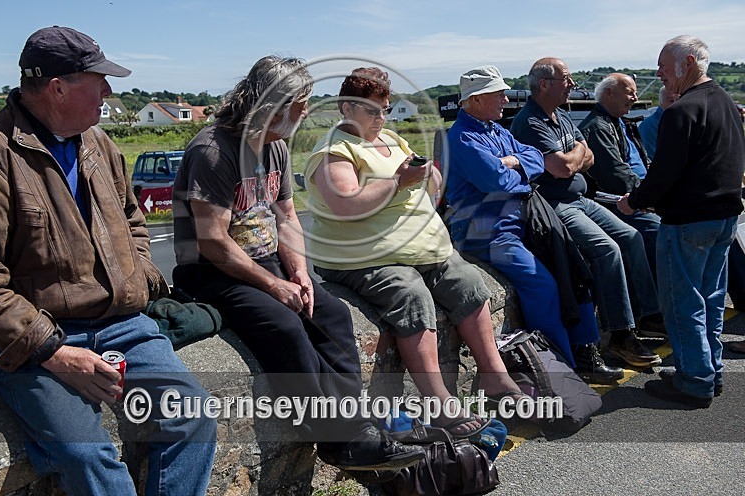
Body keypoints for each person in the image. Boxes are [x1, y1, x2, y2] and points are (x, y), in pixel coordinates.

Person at [0, 26, 216, 495]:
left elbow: (133, 220)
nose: (109, 92)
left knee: (193, 416)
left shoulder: (98, 142)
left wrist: (140, 276)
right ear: (58, 87)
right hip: (38, 338)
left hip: (123, 326)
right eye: (99, 79)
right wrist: (54, 352)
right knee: (86, 453)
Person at [171, 56, 424, 471]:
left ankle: (349, 431)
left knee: (334, 315)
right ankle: (338, 436)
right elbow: (213, 241)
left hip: (265, 259)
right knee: (286, 326)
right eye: (300, 102)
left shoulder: (276, 147)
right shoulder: (214, 151)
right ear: (274, 103)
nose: (305, 110)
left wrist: (300, 273)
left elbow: (286, 217)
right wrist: (274, 286)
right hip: (211, 271)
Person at [303, 67, 524, 436]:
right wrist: (397, 182)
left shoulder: (390, 138)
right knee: (411, 296)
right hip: (366, 256)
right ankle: (438, 403)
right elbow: (346, 203)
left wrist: (429, 175)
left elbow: (431, 186)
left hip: (425, 249)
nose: (381, 117)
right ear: (345, 108)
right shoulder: (334, 150)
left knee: (469, 283)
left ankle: (494, 376)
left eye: (385, 109)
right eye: (372, 110)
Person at [446, 65, 623, 384]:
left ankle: (583, 352)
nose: (504, 99)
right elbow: (495, 180)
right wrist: (515, 169)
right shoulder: (461, 138)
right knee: (542, 285)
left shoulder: (494, 130)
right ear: (475, 100)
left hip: (518, 223)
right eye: (497, 94)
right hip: (486, 233)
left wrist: (513, 163)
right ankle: (560, 370)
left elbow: (532, 157)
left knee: (574, 269)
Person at [510, 58, 664, 369]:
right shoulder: (530, 122)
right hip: (555, 205)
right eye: (565, 79)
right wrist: (575, 156)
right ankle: (620, 334)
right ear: (543, 85)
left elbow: (585, 157)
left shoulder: (561, 116)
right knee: (607, 250)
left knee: (632, 237)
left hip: (580, 198)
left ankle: (647, 315)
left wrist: (574, 157)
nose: (572, 85)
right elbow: (563, 166)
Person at [619, 35, 745, 407]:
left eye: (662, 65)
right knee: (710, 299)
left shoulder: (680, 112)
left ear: (687, 62)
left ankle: (694, 380)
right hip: (724, 217)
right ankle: (709, 370)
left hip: (688, 220)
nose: (658, 73)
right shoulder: (725, 102)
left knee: (683, 303)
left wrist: (634, 203)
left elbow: (662, 175)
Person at [578, 73, 663, 285]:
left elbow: (644, 162)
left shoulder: (621, 123)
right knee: (659, 230)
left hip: (642, 194)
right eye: (630, 92)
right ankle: (656, 307)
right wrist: (652, 195)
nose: (635, 97)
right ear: (609, 93)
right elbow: (616, 176)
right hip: (619, 201)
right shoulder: (597, 128)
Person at [638, 86, 680, 161]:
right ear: (661, 102)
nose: (676, 104)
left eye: (678, 100)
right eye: (671, 101)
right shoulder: (649, 126)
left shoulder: (680, 121)